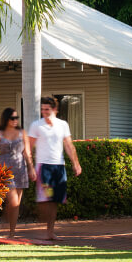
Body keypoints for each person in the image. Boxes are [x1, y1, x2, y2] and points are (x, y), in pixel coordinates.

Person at [27, 96, 81, 241]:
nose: (44, 112)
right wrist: (31, 167)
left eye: (47, 109)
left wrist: (76, 163)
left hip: (59, 166)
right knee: (46, 198)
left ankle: (50, 232)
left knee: (55, 200)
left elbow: (69, 145)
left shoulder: (63, 125)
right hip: (44, 168)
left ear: (55, 110)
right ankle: (43, 223)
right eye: (42, 109)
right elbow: (29, 146)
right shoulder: (36, 126)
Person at [0, 107, 35, 238]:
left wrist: (31, 168)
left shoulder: (22, 133)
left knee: (16, 204)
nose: (15, 120)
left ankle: (11, 232)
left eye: (17, 118)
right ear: (6, 119)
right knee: (13, 201)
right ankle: (9, 224)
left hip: (20, 169)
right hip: (5, 171)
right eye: (13, 118)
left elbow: (27, 153)